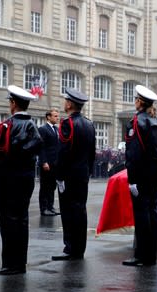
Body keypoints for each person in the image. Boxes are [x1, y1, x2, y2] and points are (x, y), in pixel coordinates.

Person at [0, 85, 42, 275]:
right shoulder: (32, 125)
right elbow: (37, 146)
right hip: (26, 178)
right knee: (22, 220)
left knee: (8, 221)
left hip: (7, 179)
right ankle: (20, 263)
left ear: (13, 104)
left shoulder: (7, 125)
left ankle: (9, 264)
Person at [122, 85, 157, 267]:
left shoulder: (137, 122)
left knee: (142, 214)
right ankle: (151, 255)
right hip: (156, 173)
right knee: (153, 211)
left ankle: (141, 255)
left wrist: (132, 179)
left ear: (139, 102)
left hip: (142, 174)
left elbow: (133, 154)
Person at [51, 88, 96, 261]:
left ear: (70, 104)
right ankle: (79, 249)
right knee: (80, 210)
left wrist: (60, 176)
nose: (64, 103)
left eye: (65, 101)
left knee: (69, 212)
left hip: (69, 176)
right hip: (82, 174)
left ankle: (70, 248)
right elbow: (92, 152)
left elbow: (63, 152)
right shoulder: (89, 123)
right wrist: (88, 171)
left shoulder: (67, 124)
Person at [38, 109, 60, 217]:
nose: (57, 118)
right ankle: (44, 208)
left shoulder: (56, 129)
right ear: (48, 117)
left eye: (57, 116)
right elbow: (41, 147)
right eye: (55, 116)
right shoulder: (43, 129)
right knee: (45, 187)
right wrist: (44, 162)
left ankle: (50, 207)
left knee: (52, 186)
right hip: (47, 163)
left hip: (55, 163)